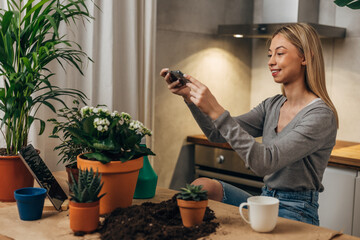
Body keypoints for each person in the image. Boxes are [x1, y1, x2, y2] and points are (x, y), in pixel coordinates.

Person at [160, 23, 338, 226]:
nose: (271, 62)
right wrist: (190, 99)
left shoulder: (320, 116)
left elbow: (264, 162)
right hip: (264, 199)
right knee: (202, 186)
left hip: (297, 210)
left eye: (279, 53)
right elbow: (217, 134)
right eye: (269, 55)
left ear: (305, 57)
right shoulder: (272, 105)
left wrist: (216, 108)